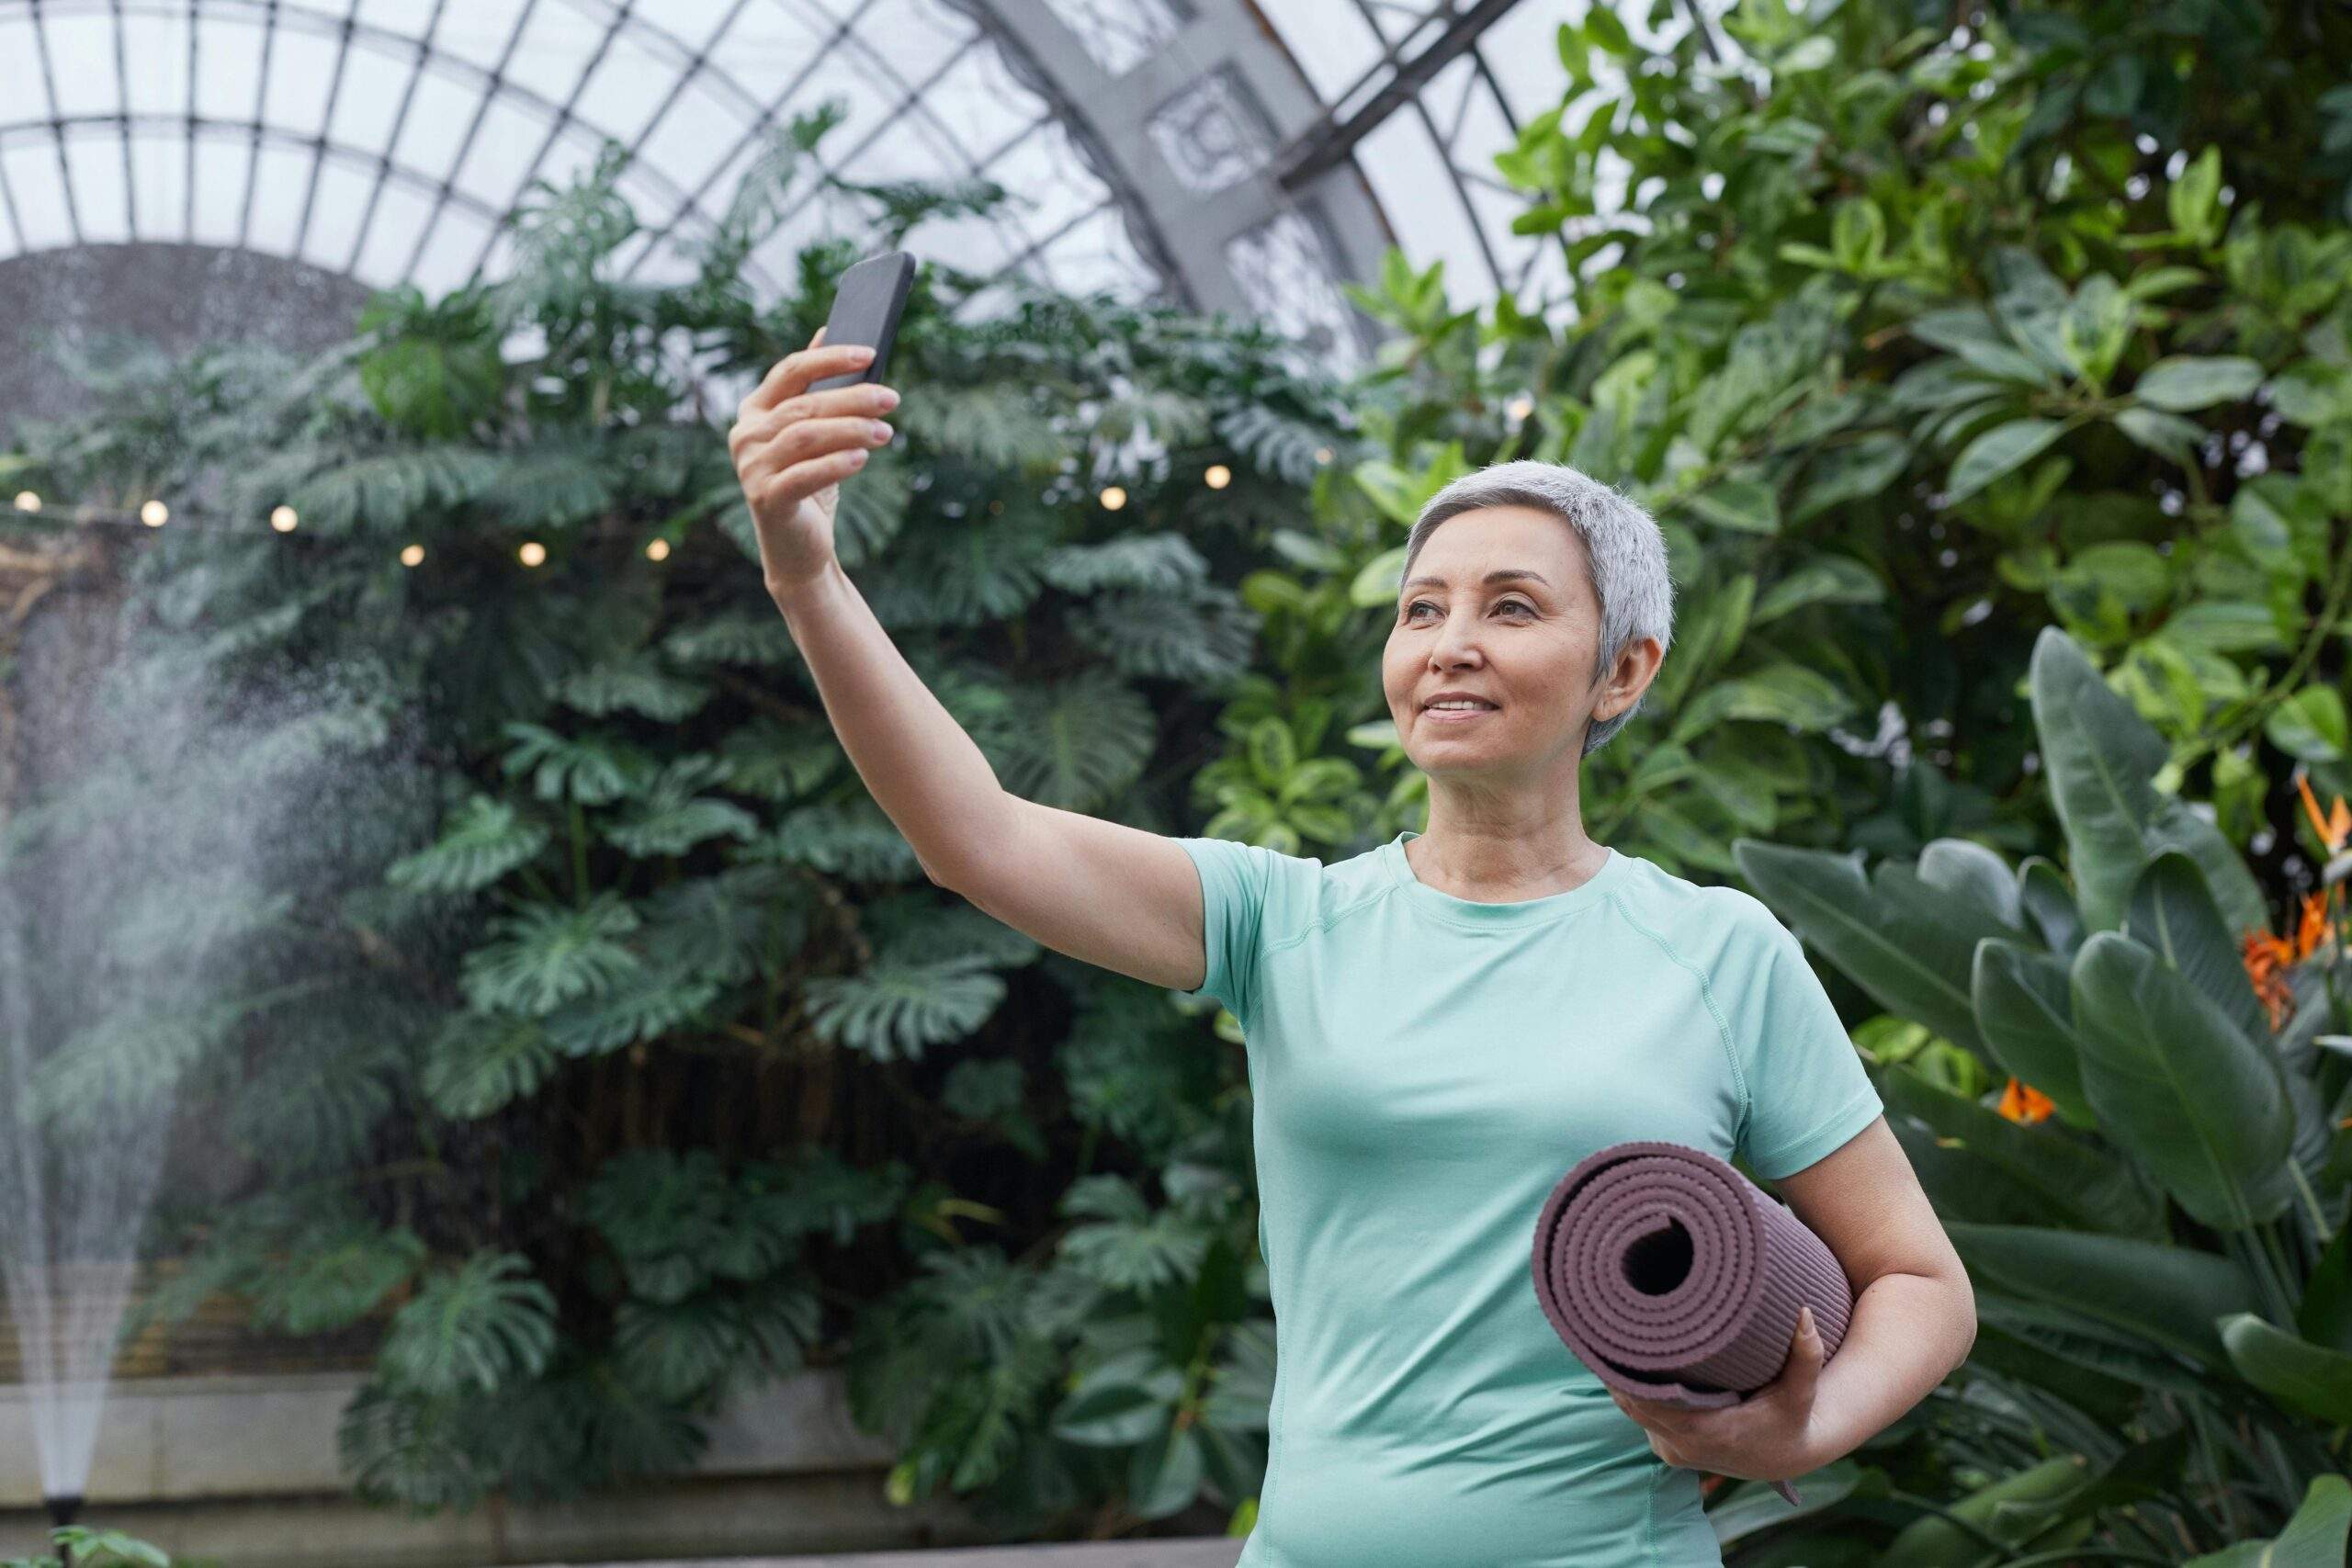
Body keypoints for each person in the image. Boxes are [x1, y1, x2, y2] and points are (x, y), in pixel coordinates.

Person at [729, 332, 1976, 1566]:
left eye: (1512, 607)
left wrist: (1803, 1433)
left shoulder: (1716, 951)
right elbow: (977, 839)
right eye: (1421, 609)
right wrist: (808, 580)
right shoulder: (1286, 923)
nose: (1449, 644)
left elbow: (1921, 1284)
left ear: (1624, 671)